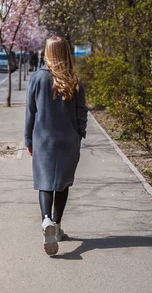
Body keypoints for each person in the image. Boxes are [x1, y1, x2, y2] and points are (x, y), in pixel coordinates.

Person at [24, 36, 88, 256]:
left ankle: (46, 221)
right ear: (66, 53)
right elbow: (82, 111)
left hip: (43, 139)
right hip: (68, 140)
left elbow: (30, 113)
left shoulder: (37, 79)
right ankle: (57, 226)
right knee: (62, 184)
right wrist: (80, 133)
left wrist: (28, 140)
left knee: (45, 183)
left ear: (47, 53)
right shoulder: (74, 80)